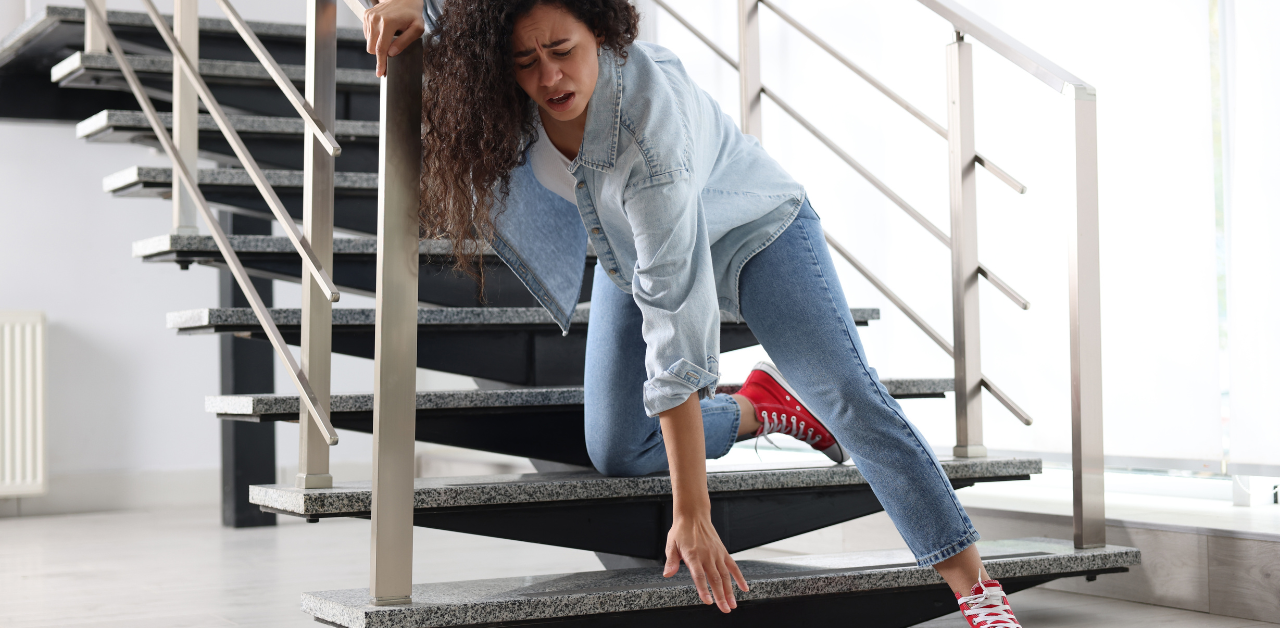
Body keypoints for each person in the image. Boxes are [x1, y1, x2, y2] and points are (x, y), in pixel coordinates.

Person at [358, 1, 1023, 625]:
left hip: (755, 230)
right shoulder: (512, 89)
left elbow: (674, 333)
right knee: (617, 446)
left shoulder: (647, 133)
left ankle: (976, 589)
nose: (549, 75)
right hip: (631, 248)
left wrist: (693, 509)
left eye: (563, 50)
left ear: (604, 35)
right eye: (526, 61)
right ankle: (764, 407)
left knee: (851, 396)